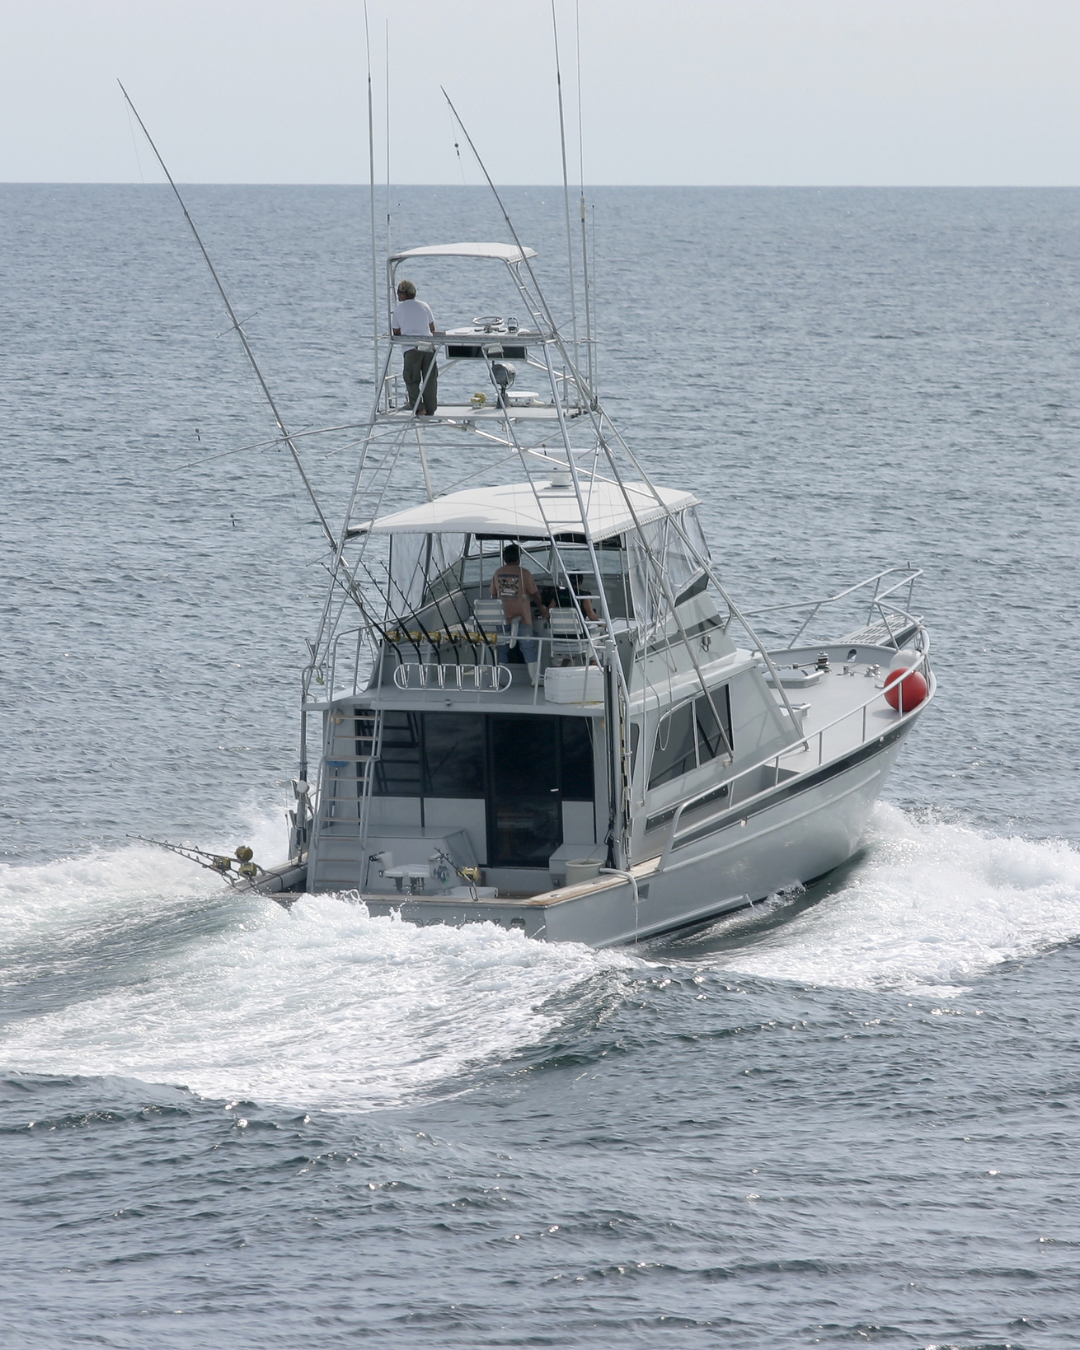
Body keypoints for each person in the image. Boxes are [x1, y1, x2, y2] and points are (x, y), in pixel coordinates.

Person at [490, 543, 549, 683]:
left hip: (502, 617)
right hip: (522, 617)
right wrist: (542, 608)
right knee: (527, 646)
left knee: (502, 647)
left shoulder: (497, 573)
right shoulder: (525, 573)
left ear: (504, 558)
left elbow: (493, 594)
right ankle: (535, 679)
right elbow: (535, 594)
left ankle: (499, 679)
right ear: (519, 558)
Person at [391, 279, 438, 415]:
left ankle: (419, 407)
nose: (398, 295)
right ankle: (430, 408)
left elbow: (396, 331)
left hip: (411, 349)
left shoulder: (399, 310)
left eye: (399, 292)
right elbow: (432, 328)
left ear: (404, 294)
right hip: (429, 347)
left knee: (411, 379)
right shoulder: (424, 306)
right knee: (430, 379)